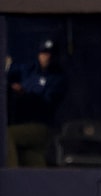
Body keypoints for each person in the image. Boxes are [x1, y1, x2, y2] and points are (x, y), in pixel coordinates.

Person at [6, 39, 66, 167]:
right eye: (44, 53)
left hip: (42, 128)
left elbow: (46, 104)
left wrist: (24, 93)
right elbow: (10, 70)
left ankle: (10, 179)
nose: (47, 57)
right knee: (30, 157)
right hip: (23, 126)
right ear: (39, 55)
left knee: (5, 135)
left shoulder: (58, 79)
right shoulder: (30, 70)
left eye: (51, 54)